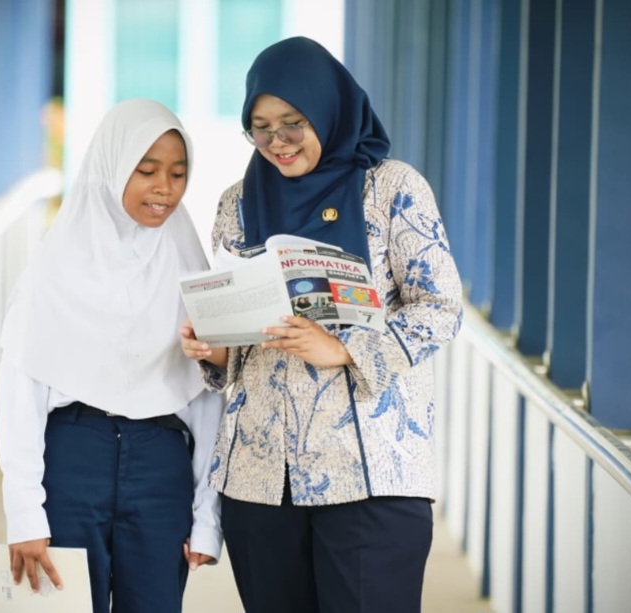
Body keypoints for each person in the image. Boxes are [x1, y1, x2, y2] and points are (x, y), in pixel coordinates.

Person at [180, 37, 463, 613]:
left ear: (329, 110)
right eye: (260, 128)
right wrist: (212, 350)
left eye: (292, 122)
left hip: (371, 475)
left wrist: (346, 351)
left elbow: (441, 308)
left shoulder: (392, 189)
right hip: (260, 479)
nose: (277, 142)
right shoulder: (237, 203)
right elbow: (241, 339)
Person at [0, 98, 224, 613]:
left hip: (162, 466)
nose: (164, 187)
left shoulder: (190, 269)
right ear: (111, 167)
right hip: (74, 460)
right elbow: (20, 396)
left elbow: (210, 401)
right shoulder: (50, 274)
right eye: (146, 171)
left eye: (178, 173)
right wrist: (25, 515)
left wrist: (208, 518)